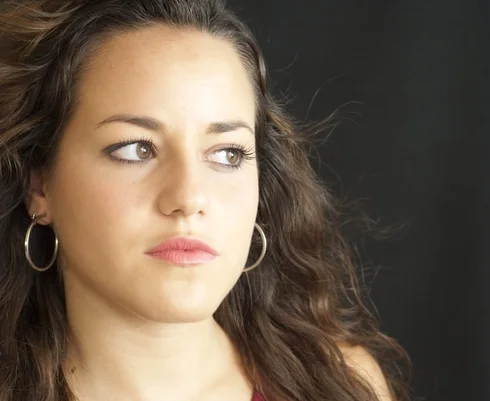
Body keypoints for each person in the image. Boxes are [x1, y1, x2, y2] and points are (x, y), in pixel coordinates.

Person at [0, 1, 411, 400]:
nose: (189, 198)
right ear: (40, 186)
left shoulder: (342, 385)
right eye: (136, 149)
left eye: (227, 154)